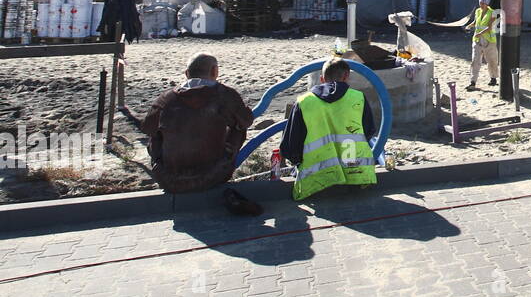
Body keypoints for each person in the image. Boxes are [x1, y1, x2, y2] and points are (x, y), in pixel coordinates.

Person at [142, 53, 254, 197]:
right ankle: (223, 158)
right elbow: (246, 120)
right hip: (214, 176)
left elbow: (147, 128)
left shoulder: (165, 100)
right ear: (215, 71)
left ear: (187, 73)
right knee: (239, 127)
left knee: (156, 134)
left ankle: (167, 164)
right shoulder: (224, 95)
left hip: (169, 179)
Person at [281, 57, 377, 201]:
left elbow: (290, 146)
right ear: (346, 76)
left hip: (316, 182)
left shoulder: (304, 102)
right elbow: (369, 132)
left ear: (321, 79)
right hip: (357, 177)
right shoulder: (359, 98)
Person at [466, 0, 499, 91]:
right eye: (480, 3)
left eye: (483, 3)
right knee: (475, 61)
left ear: (487, 4)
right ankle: (473, 82)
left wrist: (479, 33)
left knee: (492, 61)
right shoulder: (478, 11)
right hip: (477, 40)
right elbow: (476, 22)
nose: (481, 5)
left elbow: (489, 27)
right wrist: (469, 25)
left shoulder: (493, 13)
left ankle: (493, 78)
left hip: (489, 41)